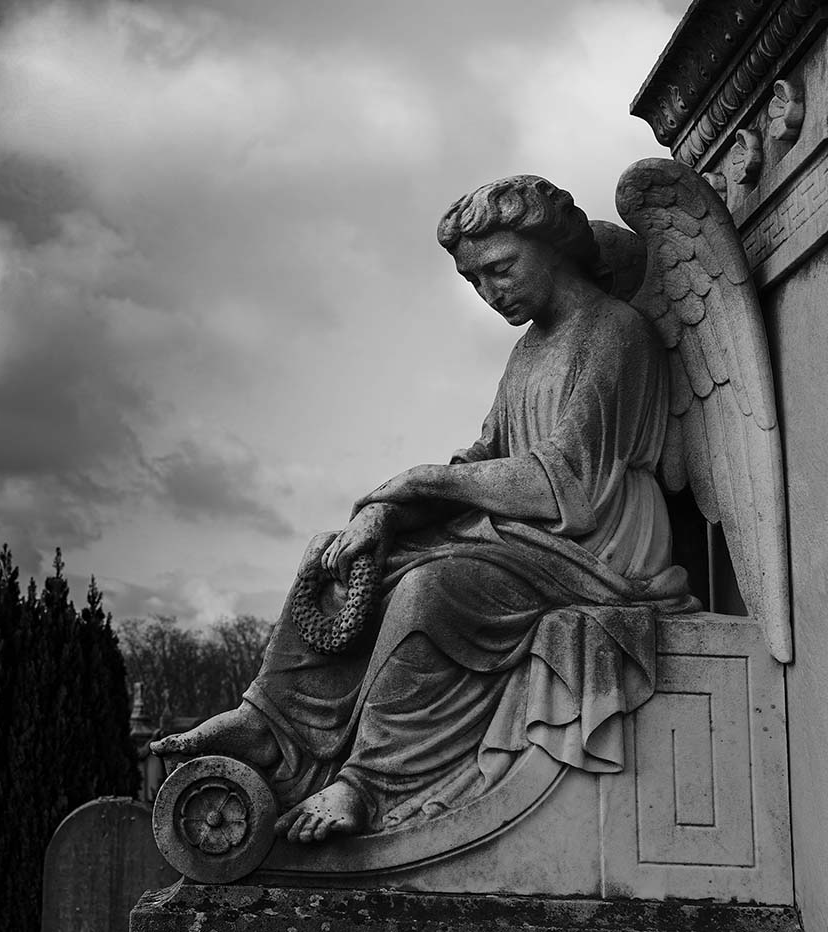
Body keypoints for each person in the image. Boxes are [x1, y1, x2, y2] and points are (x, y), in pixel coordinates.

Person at [151, 175, 696, 844]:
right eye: (474, 280)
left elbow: (569, 480)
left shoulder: (615, 331)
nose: (490, 292)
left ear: (554, 247)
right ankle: (270, 722)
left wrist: (423, 483)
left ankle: (368, 782)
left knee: (430, 590)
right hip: (527, 535)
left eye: (500, 269)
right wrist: (389, 512)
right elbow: (485, 457)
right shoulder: (529, 348)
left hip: (596, 544)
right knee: (335, 556)